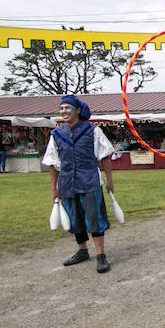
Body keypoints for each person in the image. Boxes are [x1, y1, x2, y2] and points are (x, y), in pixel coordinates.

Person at [42, 95, 115, 273]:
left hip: (89, 180)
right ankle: (82, 251)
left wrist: (109, 180)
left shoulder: (93, 131)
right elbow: (52, 163)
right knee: (75, 218)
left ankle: (100, 255)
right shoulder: (57, 134)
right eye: (61, 108)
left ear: (78, 110)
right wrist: (54, 188)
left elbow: (104, 156)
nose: (63, 111)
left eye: (67, 108)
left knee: (94, 218)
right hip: (67, 182)